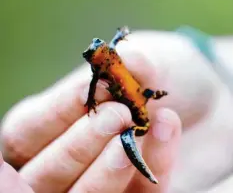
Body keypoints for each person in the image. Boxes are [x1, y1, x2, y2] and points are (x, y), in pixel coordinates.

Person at [1, 27, 233, 193]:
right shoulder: (99, 72)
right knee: (119, 121)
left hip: (139, 99)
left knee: (139, 101)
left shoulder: (110, 55)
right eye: (92, 53)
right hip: (131, 104)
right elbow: (93, 86)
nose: (97, 49)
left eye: (98, 45)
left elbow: (114, 44)